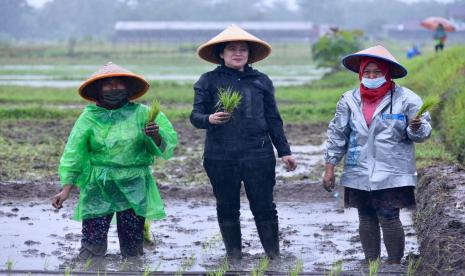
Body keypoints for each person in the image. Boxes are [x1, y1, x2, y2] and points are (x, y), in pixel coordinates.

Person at [190, 25, 297, 261]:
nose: (238, 53)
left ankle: (273, 255)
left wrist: (284, 151)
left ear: (249, 54)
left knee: (264, 206)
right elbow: (195, 116)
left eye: (243, 49)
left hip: (257, 153)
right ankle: (234, 256)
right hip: (220, 155)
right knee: (227, 207)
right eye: (232, 49)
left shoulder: (261, 81)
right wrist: (209, 118)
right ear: (221, 53)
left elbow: (273, 119)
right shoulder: (208, 80)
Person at [52, 62, 178, 259]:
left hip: (134, 184)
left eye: (119, 83)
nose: (114, 88)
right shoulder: (89, 117)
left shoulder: (144, 114)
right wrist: (66, 188)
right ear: (98, 89)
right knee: (91, 247)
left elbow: (167, 145)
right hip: (98, 185)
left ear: (127, 87)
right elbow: (74, 153)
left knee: (132, 248)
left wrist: (155, 135)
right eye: (108, 84)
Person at [322, 45, 432, 264]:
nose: (371, 77)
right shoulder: (349, 100)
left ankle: (394, 263)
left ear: (387, 73)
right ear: (361, 74)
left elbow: (421, 134)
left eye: (377, 72)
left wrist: (417, 127)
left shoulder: (406, 99)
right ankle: (371, 263)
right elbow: (338, 134)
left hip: (392, 169)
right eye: (367, 73)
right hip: (358, 168)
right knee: (366, 216)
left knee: (389, 216)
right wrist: (330, 166)